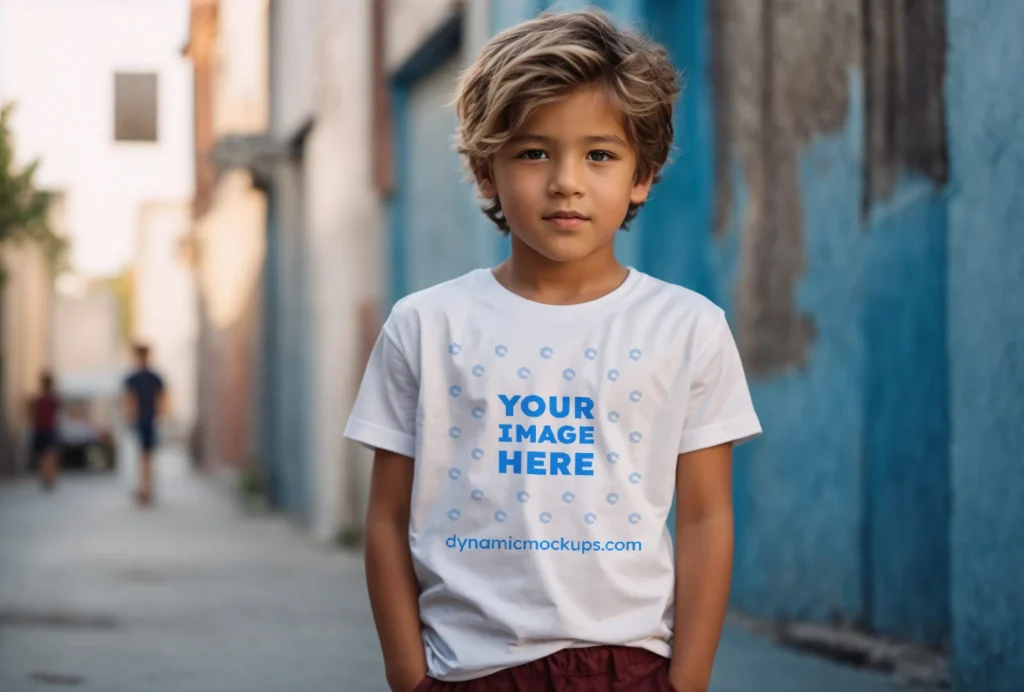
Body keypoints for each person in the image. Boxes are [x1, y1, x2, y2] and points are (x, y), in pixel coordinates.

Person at [345, 9, 762, 692]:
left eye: (600, 155)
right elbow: (388, 519)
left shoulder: (688, 328)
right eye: (534, 152)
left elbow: (706, 516)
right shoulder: (426, 325)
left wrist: (685, 682)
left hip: (629, 667)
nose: (567, 180)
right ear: (486, 171)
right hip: (470, 669)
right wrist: (407, 676)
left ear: (642, 175)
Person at [124, 344, 166, 507]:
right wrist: (161, 416)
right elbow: (162, 400)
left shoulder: (133, 378)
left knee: (143, 457)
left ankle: (144, 489)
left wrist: (129, 417)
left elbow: (129, 400)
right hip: (150, 420)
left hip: (142, 420)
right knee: (148, 456)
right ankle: (147, 489)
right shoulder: (155, 377)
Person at [28, 371, 62, 491]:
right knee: (46, 456)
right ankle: (47, 477)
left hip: (45, 430)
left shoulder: (46, 399)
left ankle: (47, 477)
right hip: (44, 430)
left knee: (47, 456)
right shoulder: (44, 399)